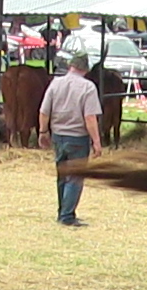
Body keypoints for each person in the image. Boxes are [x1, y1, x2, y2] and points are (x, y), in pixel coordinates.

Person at [38, 53, 102, 228]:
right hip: (78, 137)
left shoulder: (55, 83)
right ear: (85, 69)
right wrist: (96, 141)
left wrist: (43, 132)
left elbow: (44, 111)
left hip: (58, 135)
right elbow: (90, 117)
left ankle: (62, 211)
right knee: (75, 177)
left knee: (62, 176)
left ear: (70, 66)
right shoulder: (88, 87)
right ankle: (67, 215)